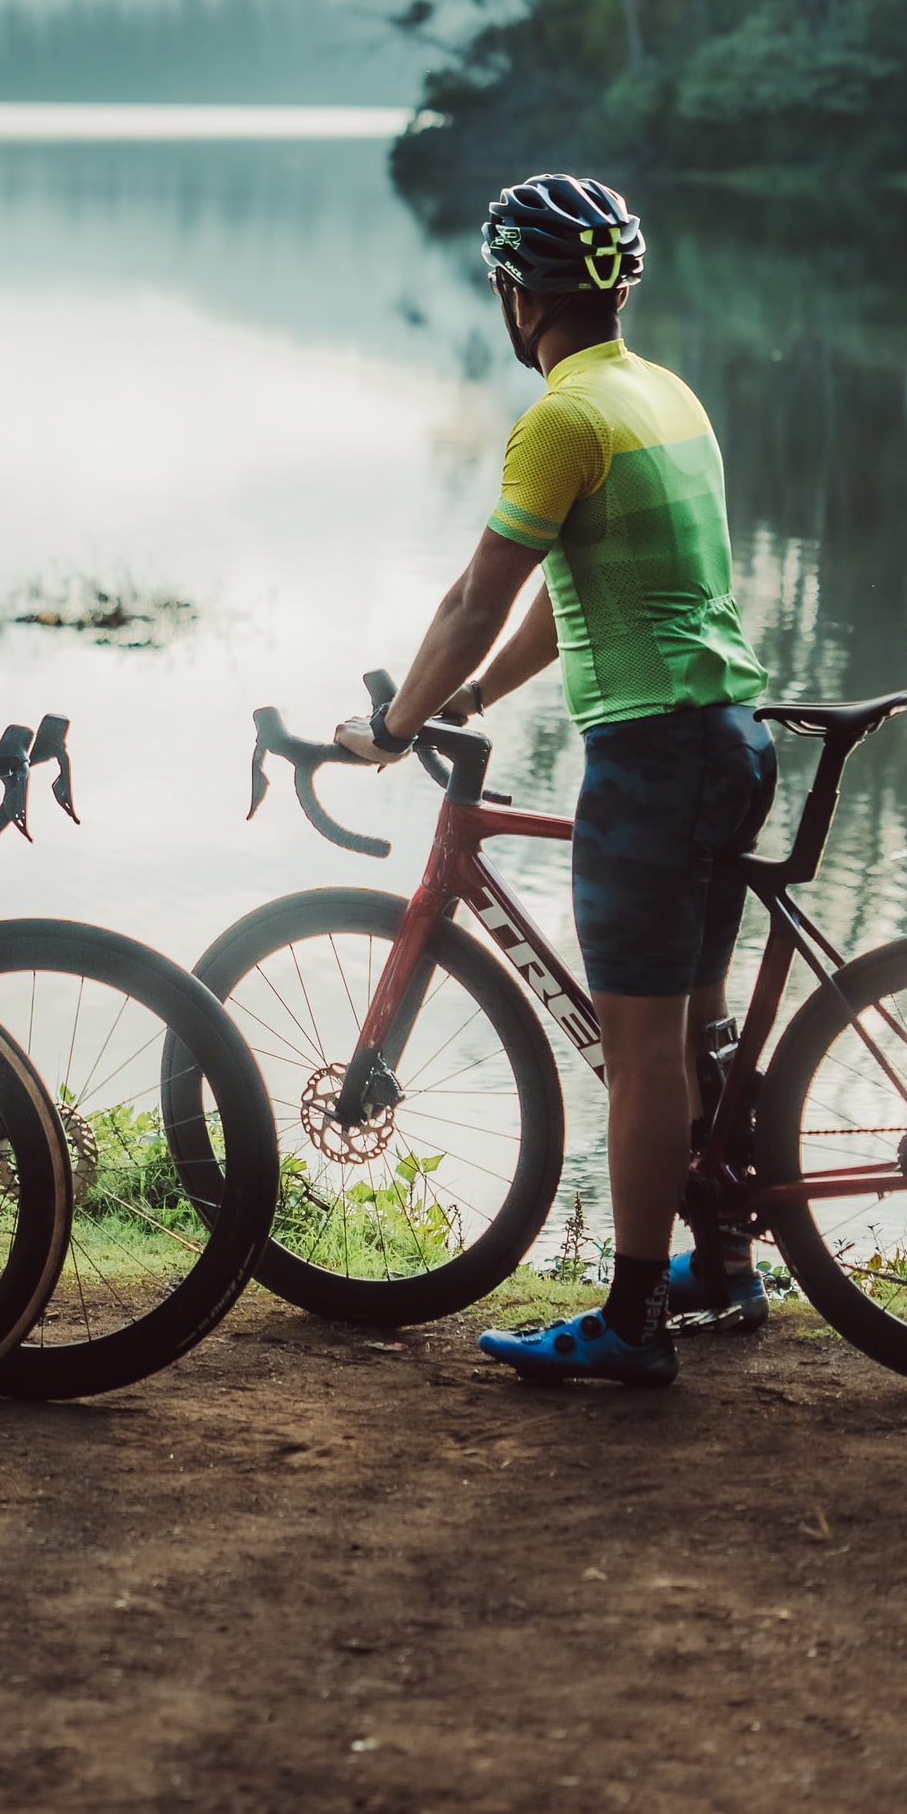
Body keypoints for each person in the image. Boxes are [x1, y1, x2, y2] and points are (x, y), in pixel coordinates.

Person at [335, 174, 773, 1389]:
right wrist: (471, 698)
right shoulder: (661, 395)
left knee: (639, 1053)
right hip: (730, 735)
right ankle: (726, 1266)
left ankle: (634, 1325)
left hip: (653, 755)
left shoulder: (561, 418)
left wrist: (395, 719)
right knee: (686, 1029)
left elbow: (480, 593)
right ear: (618, 286)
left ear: (515, 293)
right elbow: (566, 593)